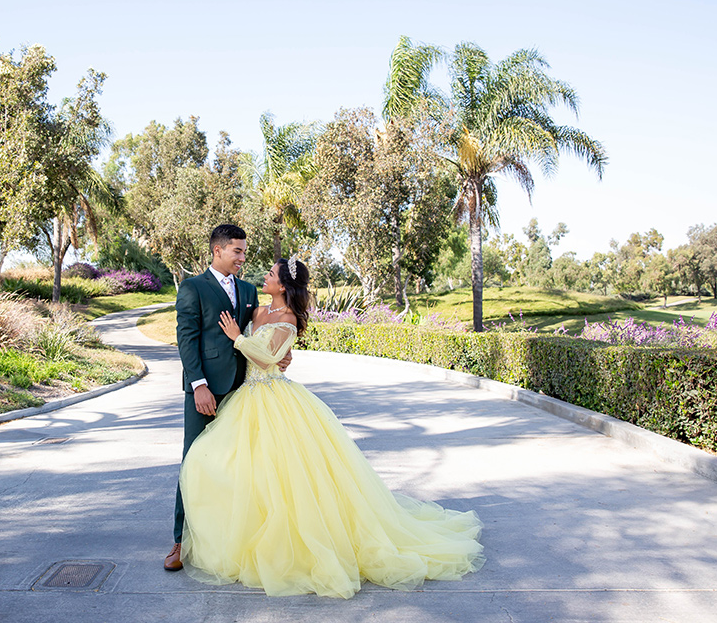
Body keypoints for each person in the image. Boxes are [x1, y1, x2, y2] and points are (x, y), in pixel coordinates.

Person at [177, 257, 486, 598]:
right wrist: (248, 344)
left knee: (287, 476)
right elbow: (260, 350)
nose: (263, 276)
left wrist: (240, 339)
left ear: (283, 286)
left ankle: (296, 543)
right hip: (246, 396)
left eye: (271, 274)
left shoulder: (289, 318)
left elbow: (267, 358)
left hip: (274, 397)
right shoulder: (256, 310)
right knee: (231, 466)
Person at [165, 224, 292, 571]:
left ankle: (228, 539)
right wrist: (198, 385)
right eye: (237, 251)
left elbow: (263, 333)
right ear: (217, 250)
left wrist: (281, 354)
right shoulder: (193, 288)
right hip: (206, 391)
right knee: (193, 460)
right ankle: (180, 540)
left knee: (241, 468)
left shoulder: (249, 290)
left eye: (244, 252)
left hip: (245, 392)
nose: (242, 258)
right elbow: (186, 339)